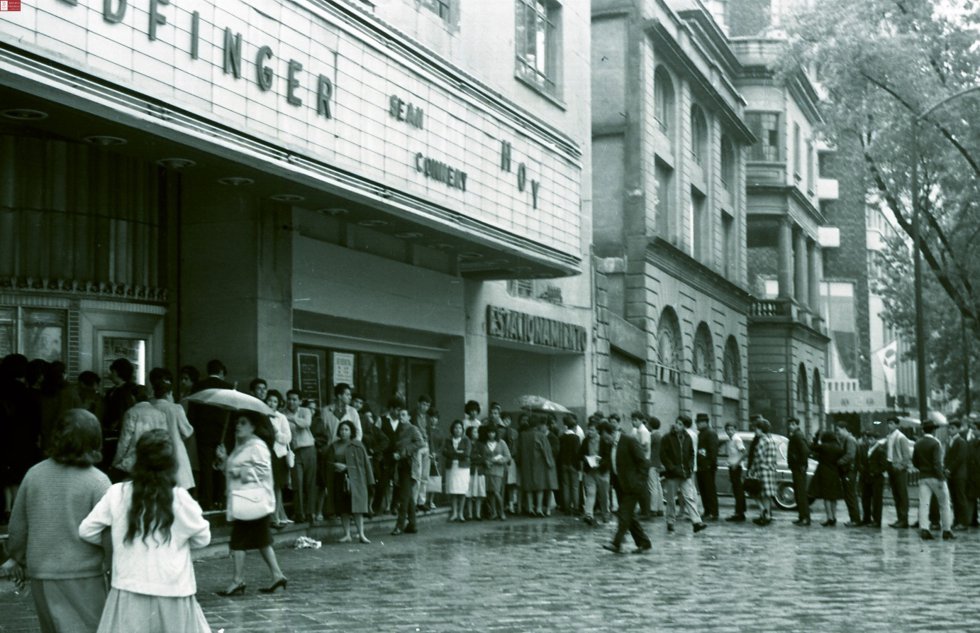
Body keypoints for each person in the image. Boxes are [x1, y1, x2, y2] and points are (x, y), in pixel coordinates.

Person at [78, 429, 211, 633]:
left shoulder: (117, 493)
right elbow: (203, 538)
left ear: (138, 459)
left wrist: (117, 540)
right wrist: (178, 542)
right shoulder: (180, 498)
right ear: (171, 462)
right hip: (173, 589)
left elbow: (87, 530)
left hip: (129, 588)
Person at [3, 409, 111, 633]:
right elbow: (110, 533)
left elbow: (18, 526)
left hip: (42, 573)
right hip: (85, 574)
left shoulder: (34, 474)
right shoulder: (98, 481)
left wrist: (17, 558)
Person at [216, 410, 287, 596]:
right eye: (237, 422)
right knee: (262, 541)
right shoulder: (243, 445)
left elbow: (263, 472)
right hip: (245, 501)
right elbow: (232, 471)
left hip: (252, 501)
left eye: (243, 422)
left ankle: (238, 580)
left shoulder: (257, 446)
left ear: (253, 426)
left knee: (239, 541)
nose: (238, 425)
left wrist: (237, 471)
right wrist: (224, 459)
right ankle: (277, 576)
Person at [186, 360, 233, 510]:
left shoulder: (198, 386)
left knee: (206, 467)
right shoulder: (229, 388)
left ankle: (207, 501)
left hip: (203, 433)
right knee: (222, 465)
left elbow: (191, 413)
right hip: (223, 433)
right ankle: (221, 499)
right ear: (221, 372)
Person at [601, 422, 652, 554]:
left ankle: (616, 543)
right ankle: (644, 542)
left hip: (632, 486)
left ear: (612, 432)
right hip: (620, 485)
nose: (606, 441)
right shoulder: (612, 445)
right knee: (629, 517)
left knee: (623, 513)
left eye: (607, 438)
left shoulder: (629, 441)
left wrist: (639, 482)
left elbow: (644, 462)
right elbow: (614, 464)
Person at [324, 420, 374, 543]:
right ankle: (347, 534)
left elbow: (365, 464)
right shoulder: (334, 446)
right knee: (343, 508)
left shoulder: (357, 445)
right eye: (341, 429)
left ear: (351, 431)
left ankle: (361, 534)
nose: (343, 432)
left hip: (356, 479)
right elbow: (327, 463)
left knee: (357, 508)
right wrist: (335, 466)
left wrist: (346, 467)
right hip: (339, 479)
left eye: (346, 429)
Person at [148, 368, 195, 490]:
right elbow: (187, 430)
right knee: (178, 486)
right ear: (168, 393)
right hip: (175, 448)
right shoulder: (175, 408)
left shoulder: (149, 406)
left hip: (154, 448)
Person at [660, 415, 707, 533]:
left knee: (689, 497)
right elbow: (663, 455)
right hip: (672, 474)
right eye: (677, 423)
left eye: (680, 424)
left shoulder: (688, 438)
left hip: (685, 473)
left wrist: (690, 466)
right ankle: (670, 521)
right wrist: (671, 468)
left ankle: (696, 522)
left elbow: (691, 453)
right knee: (670, 499)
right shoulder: (667, 438)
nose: (677, 425)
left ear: (685, 427)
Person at [112, 386, 169, 482]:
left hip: (134, 460)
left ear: (133, 397)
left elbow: (125, 440)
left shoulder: (131, 412)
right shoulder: (160, 414)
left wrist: (116, 461)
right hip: (154, 459)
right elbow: (164, 437)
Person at [913, 419, 954, 540]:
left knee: (924, 504)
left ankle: (924, 529)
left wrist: (922, 468)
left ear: (923, 430)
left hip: (923, 477)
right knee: (944, 503)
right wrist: (941, 478)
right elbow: (937, 463)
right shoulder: (936, 443)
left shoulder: (918, 443)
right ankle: (946, 530)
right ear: (934, 430)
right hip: (935, 477)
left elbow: (915, 461)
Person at [391, 405, 425, 535]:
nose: (401, 417)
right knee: (408, 496)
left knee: (404, 497)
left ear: (409, 417)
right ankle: (412, 524)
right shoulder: (399, 430)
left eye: (404, 415)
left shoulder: (413, 429)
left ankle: (399, 525)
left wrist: (405, 451)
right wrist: (397, 453)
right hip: (400, 465)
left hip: (410, 466)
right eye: (400, 415)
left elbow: (421, 443)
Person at [285, 389, 316, 524]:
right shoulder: (282, 413)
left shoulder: (305, 411)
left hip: (308, 449)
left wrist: (291, 418)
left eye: (294, 399)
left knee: (310, 482)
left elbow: (306, 424)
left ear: (300, 401)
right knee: (297, 483)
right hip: (294, 451)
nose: (291, 402)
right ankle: (299, 513)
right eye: (289, 399)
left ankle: (310, 513)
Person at [519, 416, 558, 517]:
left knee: (528, 486)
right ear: (537, 425)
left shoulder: (522, 435)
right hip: (538, 463)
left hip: (526, 463)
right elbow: (546, 450)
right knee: (539, 487)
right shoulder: (541, 435)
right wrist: (550, 462)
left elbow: (519, 450)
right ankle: (539, 508)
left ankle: (530, 508)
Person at [265, 390, 292, 528]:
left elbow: (287, 438)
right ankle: (267, 516)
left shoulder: (281, 418)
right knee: (266, 486)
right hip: (264, 454)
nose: (271, 403)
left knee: (276, 486)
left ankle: (276, 517)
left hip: (278, 455)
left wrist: (276, 431)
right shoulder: (261, 415)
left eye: (275, 401)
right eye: (269, 400)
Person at [745, 418, 778, 526]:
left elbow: (757, 457)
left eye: (757, 429)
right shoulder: (771, 440)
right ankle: (767, 515)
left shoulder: (762, 441)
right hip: (770, 470)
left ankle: (762, 510)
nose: (755, 431)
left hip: (761, 470)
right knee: (766, 495)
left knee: (753, 491)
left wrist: (751, 470)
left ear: (761, 429)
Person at [579, 419, 611, 525]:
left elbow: (608, 456)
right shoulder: (585, 441)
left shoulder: (603, 441)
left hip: (602, 471)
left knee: (603, 495)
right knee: (590, 493)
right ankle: (589, 515)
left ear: (597, 431)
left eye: (592, 430)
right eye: (588, 429)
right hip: (590, 471)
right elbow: (580, 454)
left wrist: (600, 462)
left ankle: (605, 514)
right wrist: (586, 459)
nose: (589, 432)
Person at [809, 431, 844, 527]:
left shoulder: (823, 446)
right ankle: (834, 516)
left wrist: (815, 438)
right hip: (835, 472)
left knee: (826, 497)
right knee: (833, 497)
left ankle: (829, 517)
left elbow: (812, 448)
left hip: (824, 472)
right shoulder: (838, 447)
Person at [885, 416, 912, 528]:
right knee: (896, 494)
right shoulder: (889, 437)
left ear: (897, 425)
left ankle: (904, 519)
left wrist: (901, 467)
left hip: (899, 469)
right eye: (888, 423)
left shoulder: (901, 437)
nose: (889, 425)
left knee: (902, 494)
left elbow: (906, 456)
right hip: (891, 466)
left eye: (891, 423)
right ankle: (899, 518)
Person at [442, 419, 471, 522]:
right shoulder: (448, 440)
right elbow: (444, 452)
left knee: (462, 490)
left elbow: (466, 453)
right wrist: (458, 452)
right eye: (455, 428)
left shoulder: (466, 440)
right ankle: (454, 513)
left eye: (459, 428)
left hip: (463, 468)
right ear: (452, 429)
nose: (457, 430)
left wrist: (454, 453)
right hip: (451, 467)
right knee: (453, 490)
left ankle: (461, 513)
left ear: (462, 429)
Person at [835, 421, 862, 527]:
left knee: (850, 496)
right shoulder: (846, 439)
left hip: (850, 472)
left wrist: (839, 462)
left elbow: (850, 455)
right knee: (849, 496)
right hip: (849, 471)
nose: (837, 433)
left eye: (838, 430)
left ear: (844, 429)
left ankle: (855, 519)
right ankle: (854, 518)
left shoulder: (849, 440)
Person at [945, 418, 970, 530]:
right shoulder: (951, 441)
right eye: (949, 428)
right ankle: (957, 520)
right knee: (954, 498)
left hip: (959, 474)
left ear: (958, 429)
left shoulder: (961, 442)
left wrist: (949, 469)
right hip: (953, 475)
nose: (950, 430)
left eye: (952, 428)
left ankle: (963, 522)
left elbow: (959, 458)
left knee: (960, 498)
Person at [482, 424, 511, 520]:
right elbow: (482, 456)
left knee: (496, 492)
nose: (491, 434)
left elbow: (508, 456)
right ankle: (493, 512)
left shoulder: (501, 443)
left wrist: (500, 460)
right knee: (490, 492)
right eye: (489, 432)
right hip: (487, 470)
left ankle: (501, 512)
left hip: (498, 470)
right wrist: (485, 461)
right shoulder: (484, 443)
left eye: (493, 432)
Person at [859, 434, 888, 528]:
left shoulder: (880, 450)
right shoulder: (866, 449)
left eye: (872, 438)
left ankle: (877, 520)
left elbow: (884, 465)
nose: (869, 441)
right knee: (865, 499)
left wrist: (875, 472)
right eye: (868, 439)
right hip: (866, 477)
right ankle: (866, 518)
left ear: (876, 439)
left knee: (876, 500)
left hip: (877, 478)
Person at [786, 418, 810, 526]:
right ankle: (802, 516)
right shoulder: (795, 435)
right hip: (796, 467)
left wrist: (802, 464)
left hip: (798, 467)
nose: (790, 426)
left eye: (793, 424)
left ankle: (805, 517)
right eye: (789, 424)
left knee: (801, 493)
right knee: (799, 492)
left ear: (796, 425)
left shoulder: (797, 435)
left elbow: (805, 451)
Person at [695, 414, 719, 521]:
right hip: (701, 466)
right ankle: (707, 511)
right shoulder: (701, 434)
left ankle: (713, 512)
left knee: (709, 490)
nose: (697, 424)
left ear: (706, 422)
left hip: (707, 467)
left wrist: (710, 464)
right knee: (703, 490)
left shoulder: (711, 433)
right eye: (697, 422)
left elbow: (713, 451)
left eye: (699, 422)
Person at [722, 422, 747, 522]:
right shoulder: (730, 440)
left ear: (735, 430)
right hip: (732, 466)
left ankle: (739, 513)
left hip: (736, 467)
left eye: (732, 429)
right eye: (728, 429)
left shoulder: (737, 439)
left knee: (738, 491)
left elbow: (744, 453)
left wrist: (736, 463)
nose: (729, 431)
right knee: (736, 490)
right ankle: (739, 512)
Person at [412, 395, 433, 510]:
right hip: (417, 446)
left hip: (426, 445)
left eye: (428, 405)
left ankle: (421, 501)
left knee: (425, 475)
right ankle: (413, 502)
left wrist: (432, 451)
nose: (425, 407)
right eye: (424, 404)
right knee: (417, 475)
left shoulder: (428, 418)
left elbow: (430, 434)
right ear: (418, 403)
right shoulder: (412, 415)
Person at [558, 414, 582, 515]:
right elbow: (577, 452)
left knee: (566, 487)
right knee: (575, 487)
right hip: (573, 465)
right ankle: (576, 508)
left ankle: (567, 508)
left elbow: (560, 452)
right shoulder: (576, 438)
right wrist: (578, 466)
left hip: (564, 464)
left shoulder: (562, 437)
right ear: (574, 426)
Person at [464, 426, 486, 520]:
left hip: (480, 470)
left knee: (479, 492)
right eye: (474, 432)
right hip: (470, 470)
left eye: (477, 432)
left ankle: (478, 514)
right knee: (469, 492)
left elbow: (483, 458)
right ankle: (469, 514)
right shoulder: (466, 444)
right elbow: (467, 457)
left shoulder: (481, 445)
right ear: (470, 433)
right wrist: (476, 457)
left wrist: (475, 458)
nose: (476, 433)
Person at [646, 416, 665, 518]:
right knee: (658, 486)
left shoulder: (652, 436)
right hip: (658, 463)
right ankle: (660, 508)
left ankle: (653, 508)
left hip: (652, 463)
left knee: (652, 487)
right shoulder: (660, 435)